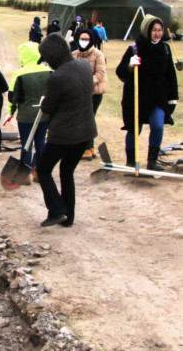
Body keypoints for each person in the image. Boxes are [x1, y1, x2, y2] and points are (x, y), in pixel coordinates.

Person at [36, 33, 97, 228]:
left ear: (53, 56)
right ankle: (68, 218)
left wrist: (44, 102)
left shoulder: (57, 77)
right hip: (85, 132)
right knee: (67, 172)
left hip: (64, 135)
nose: (47, 64)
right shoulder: (84, 65)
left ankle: (56, 210)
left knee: (44, 168)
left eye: (47, 59)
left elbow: (47, 109)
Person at [115, 14, 178, 170]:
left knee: (158, 125)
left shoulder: (165, 48)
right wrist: (130, 66)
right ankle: (131, 162)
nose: (157, 33)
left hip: (157, 97)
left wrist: (173, 97)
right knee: (134, 128)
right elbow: (120, 71)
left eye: (160, 30)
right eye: (154, 30)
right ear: (146, 30)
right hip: (136, 96)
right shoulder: (134, 49)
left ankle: (152, 161)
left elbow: (170, 74)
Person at [6, 42, 51, 184]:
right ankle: (39, 172)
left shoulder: (19, 74)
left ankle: (25, 175)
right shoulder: (48, 71)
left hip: (25, 116)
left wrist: (10, 112)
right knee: (41, 142)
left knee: (27, 143)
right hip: (44, 114)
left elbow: (12, 97)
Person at [72, 28, 108, 160]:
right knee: (83, 119)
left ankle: (87, 148)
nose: (84, 42)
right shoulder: (74, 55)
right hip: (80, 93)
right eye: (82, 39)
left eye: (87, 39)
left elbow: (99, 74)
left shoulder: (98, 54)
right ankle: (89, 147)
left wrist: (85, 82)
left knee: (89, 118)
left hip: (95, 92)